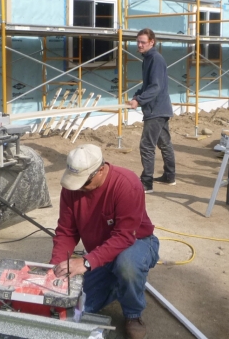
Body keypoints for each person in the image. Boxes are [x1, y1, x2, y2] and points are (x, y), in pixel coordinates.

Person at [51, 144, 159, 339]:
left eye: (84, 182)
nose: (80, 188)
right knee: (75, 306)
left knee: (127, 266)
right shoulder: (72, 189)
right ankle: (118, 284)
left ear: (100, 170)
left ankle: (133, 313)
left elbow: (125, 236)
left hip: (137, 243)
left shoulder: (126, 184)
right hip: (101, 252)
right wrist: (57, 267)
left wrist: (86, 262)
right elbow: (66, 231)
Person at [129, 28, 175, 193]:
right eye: (138, 41)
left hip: (156, 109)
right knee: (164, 143)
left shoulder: (155, 59)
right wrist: (136, 95)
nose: (139, 45)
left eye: (143, 42)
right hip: (160, 108)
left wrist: (139, 101)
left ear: (151, 42)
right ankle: (170, 176)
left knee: (147, 145)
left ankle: (146, 183)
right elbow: (148, 85)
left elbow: (155, 87)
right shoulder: (148, 58)